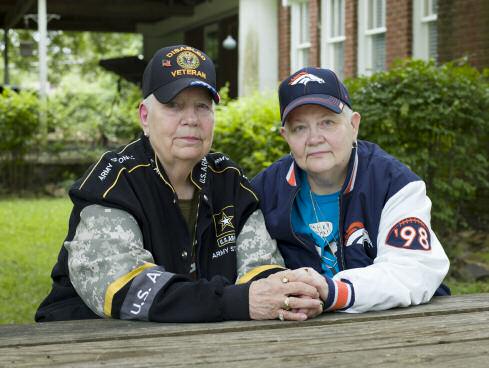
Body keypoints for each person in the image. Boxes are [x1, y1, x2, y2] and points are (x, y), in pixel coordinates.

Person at [35, 46, 324, 323]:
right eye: (174, 106)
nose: (191, 120)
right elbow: (127, 291)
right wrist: (237, 301)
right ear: (145, 117)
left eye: (202, 106)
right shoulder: (113, 183)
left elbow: (261, 267)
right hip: (89, 342)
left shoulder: (229, 179)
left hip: (205, 341)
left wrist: (279, 292)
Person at [252, 67, 450, 313]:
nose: (314, 138)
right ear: (286, 136)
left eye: (327, 122)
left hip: (402, 328)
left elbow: (413, 269)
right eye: (299, 128)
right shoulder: (262, 191)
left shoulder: (394, 184)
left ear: (354, 125)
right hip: (302, 336)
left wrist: (334, 292)